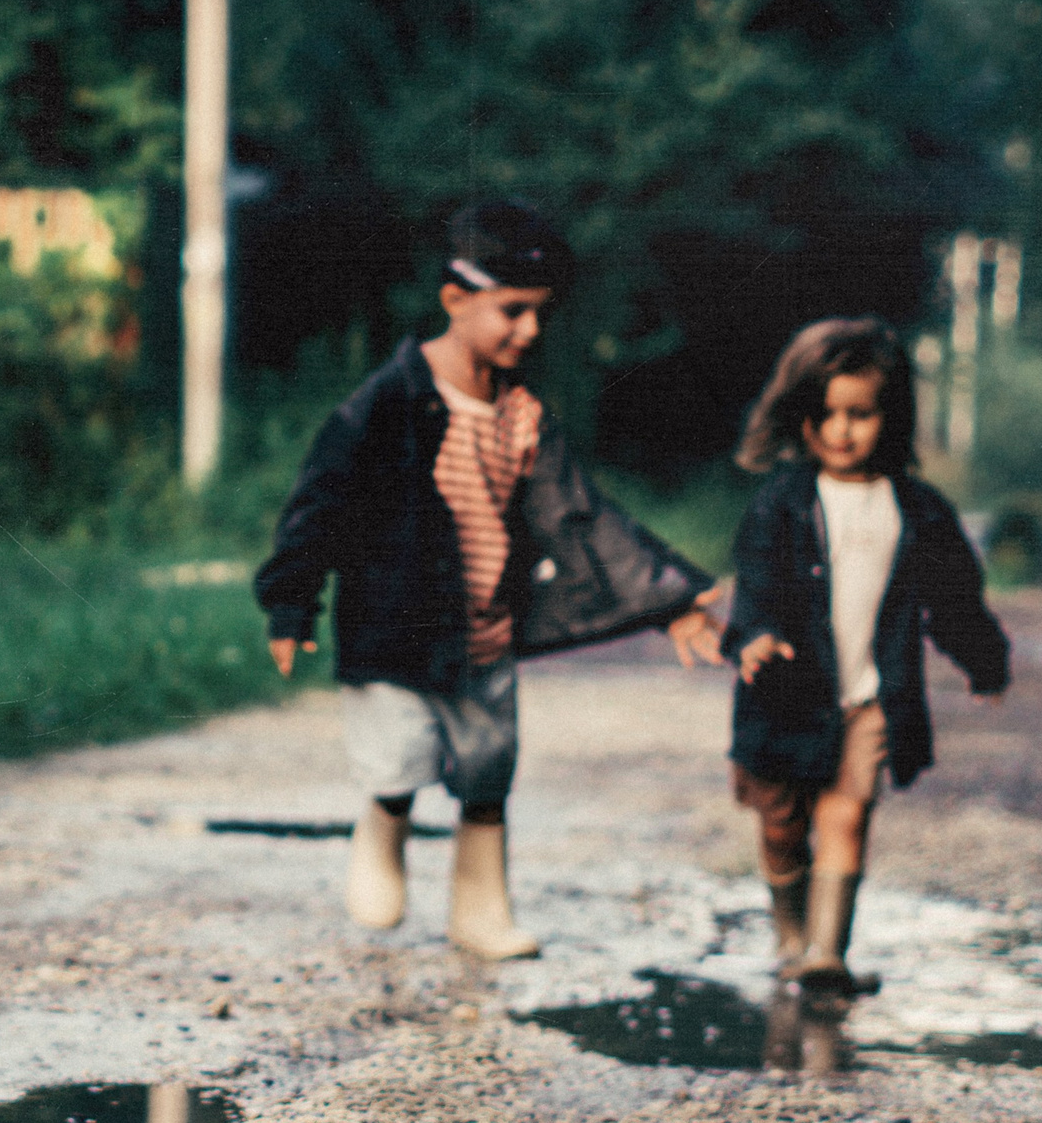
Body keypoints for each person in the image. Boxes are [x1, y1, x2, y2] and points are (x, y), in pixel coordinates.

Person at [254, 199, 724, 959]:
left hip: (483, 634)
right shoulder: (389, 404)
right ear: (455, 298)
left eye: (539, 314)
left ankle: (481, 911)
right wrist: (291, 603)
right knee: (397, 754)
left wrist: (669, 600)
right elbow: (322, 502)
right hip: (394, 629)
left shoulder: (523, 417)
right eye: (513, 311)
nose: (529, 331)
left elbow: (579, 517)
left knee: (485, 775)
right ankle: (382, 833)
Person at [725, 317, 1008, 995]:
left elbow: (956, 595)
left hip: (871, 696)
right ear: (800, 417)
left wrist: (984, 660)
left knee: (847, 812)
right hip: (786, 698)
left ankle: (827, 952)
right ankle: (791, 933)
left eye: (860, 414)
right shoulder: (781, 505)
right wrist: (754, 635)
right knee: (781, 829)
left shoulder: (919, 510)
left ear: (892, 416)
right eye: (824, 414)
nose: (841, 431)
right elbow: (755, 584)